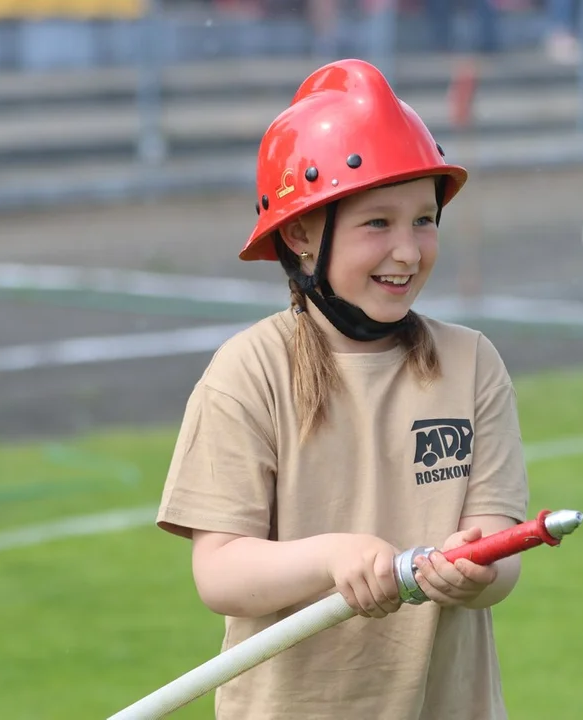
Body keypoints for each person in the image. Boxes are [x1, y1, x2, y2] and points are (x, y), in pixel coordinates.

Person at [156, 58, 530, 720]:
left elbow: (499, 560)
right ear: (301, 235)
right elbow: (219, 573)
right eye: (377, 223)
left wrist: (476, 570)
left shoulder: (472, 362)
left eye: (424, 219)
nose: (409, 251)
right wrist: (335, 557)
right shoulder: (247, 372)